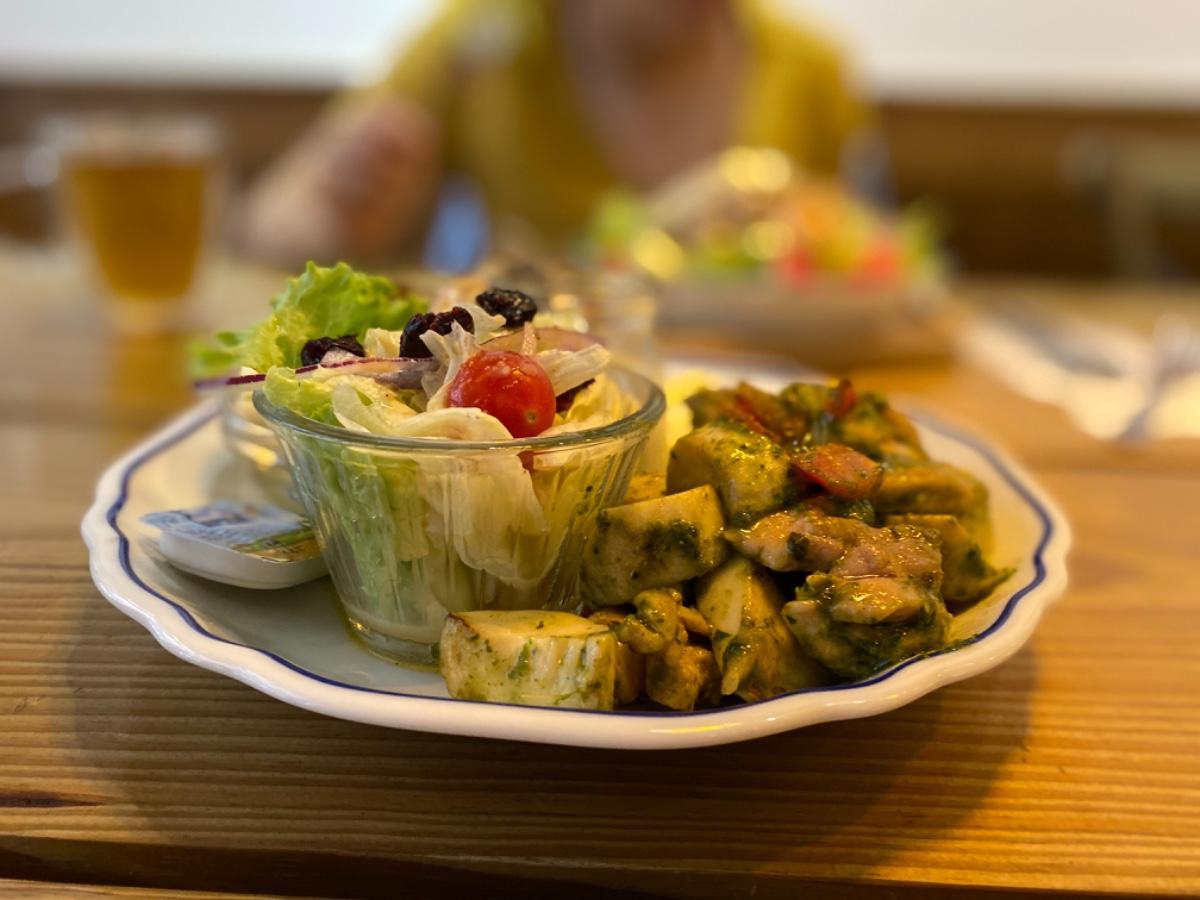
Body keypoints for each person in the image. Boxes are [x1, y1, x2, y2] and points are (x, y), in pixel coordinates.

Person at [241, 0, 868, 268]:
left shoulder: (810, 70)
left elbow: (860, 263)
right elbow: (274, 217)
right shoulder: (485, 41)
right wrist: (342, 220)